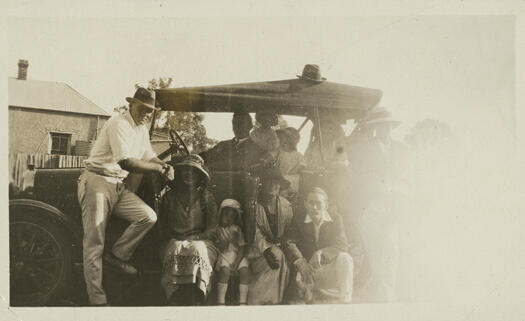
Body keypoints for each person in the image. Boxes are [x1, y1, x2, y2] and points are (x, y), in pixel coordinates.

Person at [77, 87, 174, 306]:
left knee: (148, 216)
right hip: (97, 182)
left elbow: (148, 154)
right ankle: (98, 302)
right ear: (131, 104)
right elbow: (127, 162)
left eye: (150, 110)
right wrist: (157, 169)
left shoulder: (141, 128)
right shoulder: (118, 123)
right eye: (143, 108)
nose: (146, 114)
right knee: (94, 243)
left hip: (117, 186)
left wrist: (164, 165)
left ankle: (118, 255)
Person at [345, 107, 408, 302]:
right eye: (379, 126)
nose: (384, 130)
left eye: (386, 126)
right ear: (374, 128)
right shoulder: (364, 147)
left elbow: (406, 177)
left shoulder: (402, 149)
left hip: (393, 204)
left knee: (392, 249)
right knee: (374, 250)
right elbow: (356, 172)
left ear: (391, 127)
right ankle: (385, 296)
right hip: (370, 204)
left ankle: (387, 293)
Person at [157, 154, 219, 305]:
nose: (188, 174)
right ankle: (174, 299)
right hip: (174, 239)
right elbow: (162, 227)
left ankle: (198, 296)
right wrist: (176, 236)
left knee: (198, 249)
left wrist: (196, 238)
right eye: (185, 170)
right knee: (175, 248)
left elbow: (213, 228)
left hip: (202, 240)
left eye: (193, 171)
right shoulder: (169, 197)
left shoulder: (207, 197)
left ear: (199, 176)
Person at [285, 187, 353, 304]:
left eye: (318, 203)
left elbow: (342, 244)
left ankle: (345, 301)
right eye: (311, 203)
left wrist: (321, 252)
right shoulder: (298, 219)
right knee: (303, 297)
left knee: (345, 258)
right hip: (307, 269)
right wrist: (300, 262)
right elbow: (288, 242)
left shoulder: (336, 219)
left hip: (328, 269)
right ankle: (313, 294)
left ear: (326, 205)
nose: (314, 207)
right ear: (306, 204)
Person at [245, 168, 293, 305]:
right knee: (275, 257)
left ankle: (274, 300)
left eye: (276, 182)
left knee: (280, 256)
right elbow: (255, 233)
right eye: (269, 182)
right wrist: (266, 250)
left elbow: (289, 231)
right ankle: (260, 300)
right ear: (263, 184)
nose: (273, 185)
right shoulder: (256, 206)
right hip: (258, 249)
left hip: (281, 246)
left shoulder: (286, 206)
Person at [210, 199, 250, 305]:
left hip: (238, 255)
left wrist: (237, 263)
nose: (229, 219)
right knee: (225, 271)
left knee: (245, 271)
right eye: (226, 215)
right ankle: (221, 301)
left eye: (232, 216)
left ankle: (243, 301)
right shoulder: (218, 230)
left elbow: (242, 247)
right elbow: (220, 248)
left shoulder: (237, 229)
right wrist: (228, 240)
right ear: (221, 215)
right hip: (224, 255)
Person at [276, 127, 306, 196]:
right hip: (279, 178)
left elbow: (302, 165)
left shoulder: (298, 156)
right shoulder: (278, 152)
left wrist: (295, 170)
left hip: (290, 180)